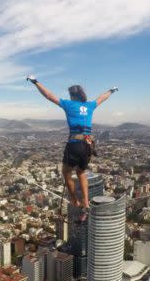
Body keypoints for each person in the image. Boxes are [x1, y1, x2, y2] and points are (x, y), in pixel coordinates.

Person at [27, 75, 118, 220]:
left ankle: (75, 200)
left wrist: (35, 82)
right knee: (81, 173)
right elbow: (102, 98)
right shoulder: (90, 105)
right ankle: (86, 204)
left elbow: (49, 96)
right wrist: (111, 91)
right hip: (88, 145)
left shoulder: (69, 104)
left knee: (66, 172)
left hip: (75, 144)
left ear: (72, 95)